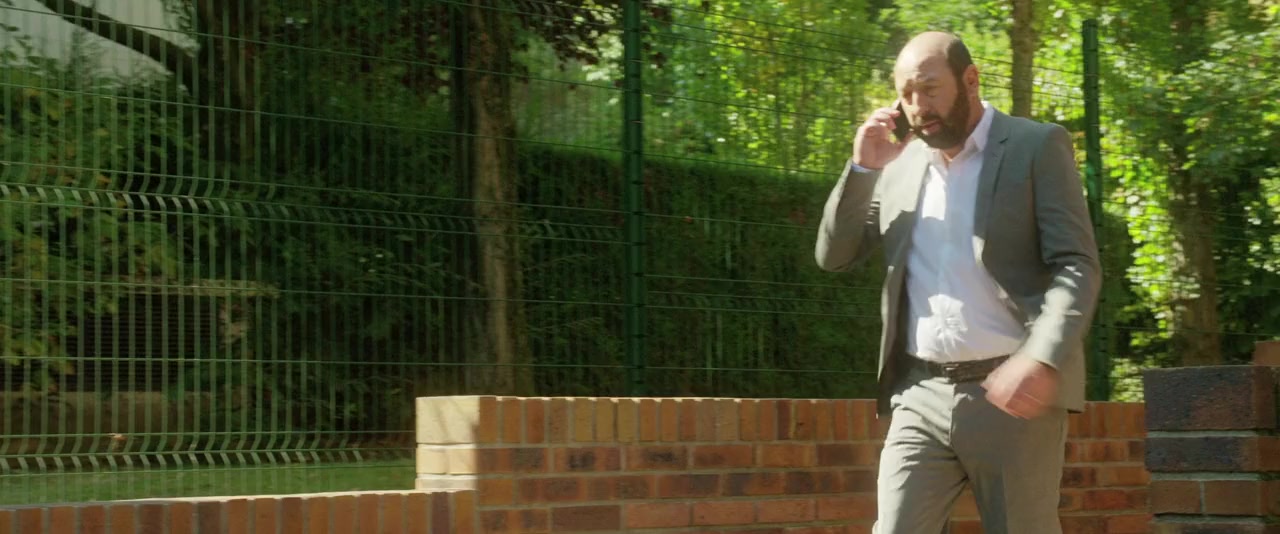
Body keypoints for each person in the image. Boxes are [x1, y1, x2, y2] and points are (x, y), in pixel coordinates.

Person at [814, 31, 1101, 533]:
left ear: (970, 80)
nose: (917, 106)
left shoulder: (1034, 146)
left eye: (929, 89)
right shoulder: (898, 165)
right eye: (906, 93)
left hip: (1011, 393)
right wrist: (862, 168)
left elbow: (1077, 264)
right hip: (919, 393)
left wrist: (1040, 358)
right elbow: (833, 256)